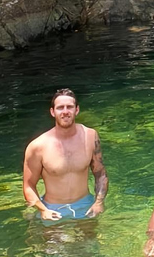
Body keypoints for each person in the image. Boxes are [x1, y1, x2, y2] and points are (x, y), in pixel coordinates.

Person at [23, 88, 108, 221]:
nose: (65, 112)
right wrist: (43, 210)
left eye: (69, 107)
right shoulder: (37, 146)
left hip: (85, 205)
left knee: (89, 242)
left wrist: (98, 203)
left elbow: (100, 174)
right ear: (52, 112)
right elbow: (28, 186)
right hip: (52, 209)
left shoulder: (90, 136)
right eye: (60, 108)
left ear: (77, 110)